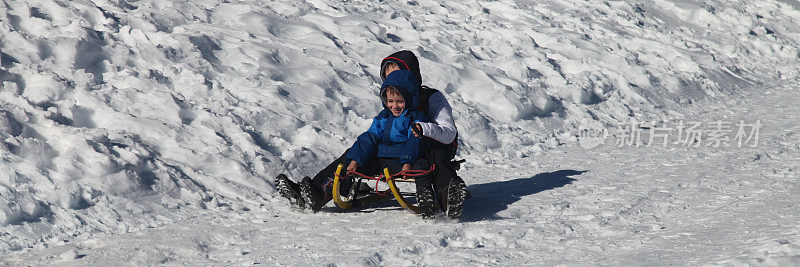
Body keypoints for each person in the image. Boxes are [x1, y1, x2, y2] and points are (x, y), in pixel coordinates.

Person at [276, 50, 466, 218]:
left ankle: (448, 195)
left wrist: (423, 130)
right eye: (388, 79)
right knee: (360, 150)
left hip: (433, 145)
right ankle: (315, 192)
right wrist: (358, 157)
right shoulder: (393, 104)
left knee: (435, 155)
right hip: (397, 152)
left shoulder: (432, 97)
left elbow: (448, 133)